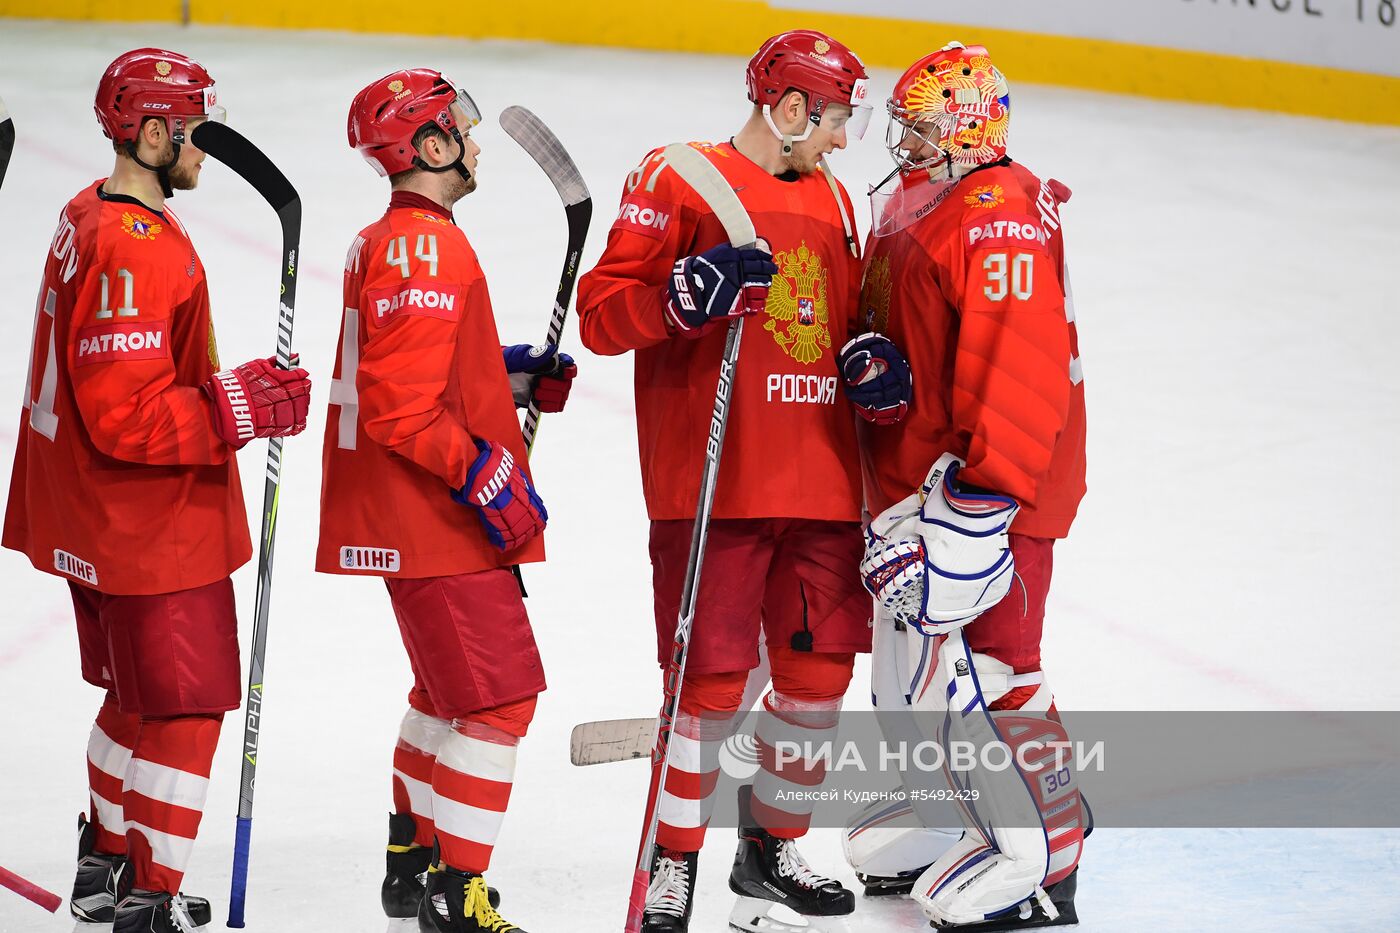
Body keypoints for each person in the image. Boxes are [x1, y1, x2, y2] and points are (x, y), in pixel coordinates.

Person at [577, 29, 905, 933]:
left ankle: (769, 848)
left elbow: (841, 329)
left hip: (826, 485)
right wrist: (684, 294)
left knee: (815, 682)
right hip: (714, 485)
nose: (845, 140)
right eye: (836, 119)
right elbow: (603, 315)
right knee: (708, 691)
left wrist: (874, 367)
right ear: (791, 109)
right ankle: (671, 864)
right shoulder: (677, 175)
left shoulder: (841, 202)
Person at [2, 48, 311, 933]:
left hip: (91, 517)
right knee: (184, 704)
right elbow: (126, 416)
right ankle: (151, 897)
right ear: (148, 132)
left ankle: (105, 863)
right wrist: (239, 404)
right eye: (192, 132)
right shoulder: (133, 248)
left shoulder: (82, 213)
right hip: (145, 523)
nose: (203, 150)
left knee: (137, 696)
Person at [318, 68, 576, 933]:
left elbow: (412, 368)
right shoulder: (427, 245)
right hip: (432, 516)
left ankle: (412, 859)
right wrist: (485, 472)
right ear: (428, 146)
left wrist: (503, 374)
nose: (472, 139)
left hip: (403, 514)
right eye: (458, 127)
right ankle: (453, 894)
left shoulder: (388, 239)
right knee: (499, 702)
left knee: (444, 694)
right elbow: (400, 408)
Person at [850, 42, 1090, 930]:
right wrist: (877, 359)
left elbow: (1018, 373)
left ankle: (1048, 849)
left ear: (968, 128)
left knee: (990, 670)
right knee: (907, 678)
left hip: (989, 492)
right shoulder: (935, 198)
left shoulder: (997, 213)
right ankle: (962, 816)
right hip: (923, 481)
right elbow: (926, 327)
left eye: (921, 129)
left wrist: (982, 503)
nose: (903, 145)